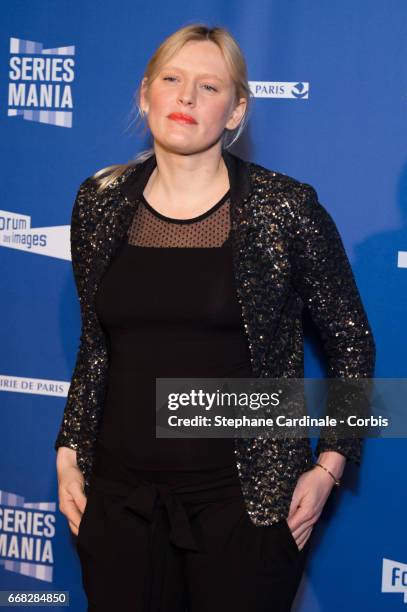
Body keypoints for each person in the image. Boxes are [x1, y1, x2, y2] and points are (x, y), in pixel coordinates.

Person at [55, 23, 376, 612]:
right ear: (144, 94)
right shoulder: (98, 202)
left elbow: (352, 345)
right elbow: (97, 344)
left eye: (209, 87)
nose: (186, 98)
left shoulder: (285, 209)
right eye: (172, 80)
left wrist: (329, 467)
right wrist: (69, 451)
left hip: (246, 508)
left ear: (236, 112)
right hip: (120, 504)